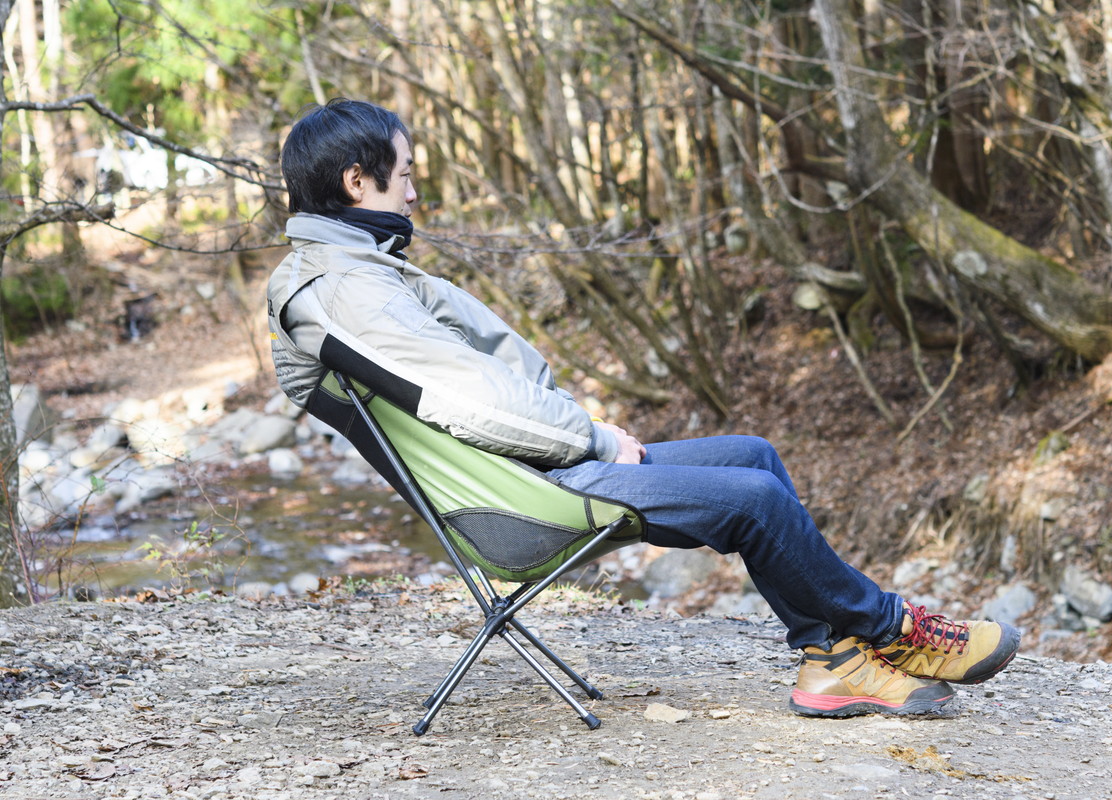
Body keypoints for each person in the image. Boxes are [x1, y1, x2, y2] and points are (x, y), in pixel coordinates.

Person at [267, 98, 1020, 718]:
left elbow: (495, 370)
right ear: (357, 181)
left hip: (528, 470)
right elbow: (467, 397)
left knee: (752, 456)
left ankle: (832, 661)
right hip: (515, 502)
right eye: (404, 176)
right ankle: (892, 629)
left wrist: (578, 433)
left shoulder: (367, 276)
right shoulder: (338, 293)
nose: (413, 195)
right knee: (754, 499)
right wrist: (591, 438)